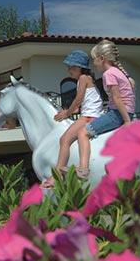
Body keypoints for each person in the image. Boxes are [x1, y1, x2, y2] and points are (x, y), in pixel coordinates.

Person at [43, 50, 103, 187]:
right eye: (69, 67)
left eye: (72, 67)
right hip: (90, 114)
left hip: (88, 117)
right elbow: (83, 104)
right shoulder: (88, 79)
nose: (69, 70)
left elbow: (78, 99)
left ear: (80, 68)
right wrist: (69, 111)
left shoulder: (83, 79)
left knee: (64, 139)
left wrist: (67, 114)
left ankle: (56, 176)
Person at [76, 39, 135, 178]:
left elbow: (117, 98)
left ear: (102, 59)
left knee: (82, 132)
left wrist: (127, 121)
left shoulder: (108, 74)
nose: (94, 64)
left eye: (94, 59)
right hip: (125, 111)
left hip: (118, 114)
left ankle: (83, 169)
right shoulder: (119, 72)